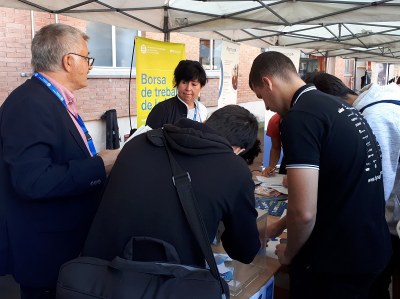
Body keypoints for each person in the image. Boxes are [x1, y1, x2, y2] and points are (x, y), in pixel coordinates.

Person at [249, 51, 392, 299]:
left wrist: (290, 254)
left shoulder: (300, 118)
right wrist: (280, 226)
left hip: (337, 262)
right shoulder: (336, 106)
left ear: (268, 82)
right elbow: (333, 188)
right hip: (372, 248)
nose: (267, 106)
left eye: (262, 97)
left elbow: (304, 213)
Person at [0, 23, 119, 299]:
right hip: (45, 251)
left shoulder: (51, 99)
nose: (90, 65)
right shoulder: (30, 103)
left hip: (62, 243)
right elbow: (34, 181)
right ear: (69, 61)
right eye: (87, 58)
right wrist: (100, 164)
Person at [83, 105, 261, 268]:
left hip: (99, 277)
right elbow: (244, 251)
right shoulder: (235, 171)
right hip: (169, 283)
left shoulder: (138, 143)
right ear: (239, 149)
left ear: (205, 122)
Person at [306, 71, 400, 299]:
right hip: (384, 225)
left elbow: (375, 186)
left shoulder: (374, 116)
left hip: (386, 227)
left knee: (374, 288)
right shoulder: (377, 101)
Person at [145, 59, 208, 129]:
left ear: (201, 87)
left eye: (194, 84)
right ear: (177, 83)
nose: (188, 88)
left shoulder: (202, 110)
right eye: (184, 82)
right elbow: (147, 137)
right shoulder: (161, 110)